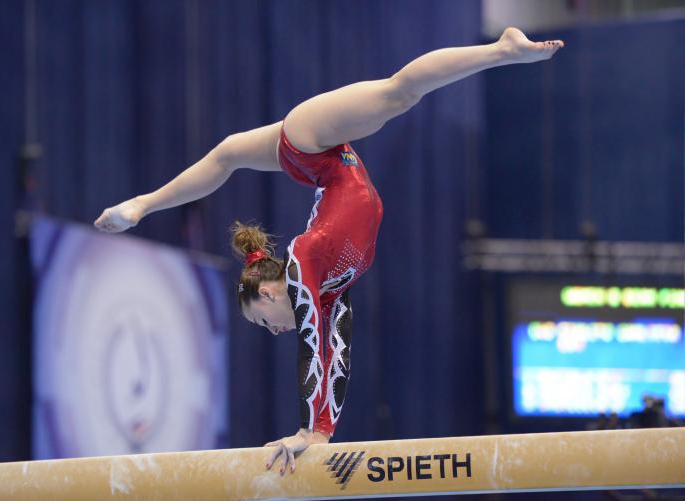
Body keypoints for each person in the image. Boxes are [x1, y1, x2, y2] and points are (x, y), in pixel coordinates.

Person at [94, 27, 564, 475]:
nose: (272, 330)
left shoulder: (303, 260)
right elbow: (335, 353)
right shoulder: (325, 291)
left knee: (396, 94)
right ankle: (140, 205)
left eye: (261, 319)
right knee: (227, 155)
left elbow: (308, 350)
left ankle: (501, 50)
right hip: (321, 165)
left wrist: (305, 429)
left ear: (271, 292)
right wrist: (321, 432)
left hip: (310, 142)